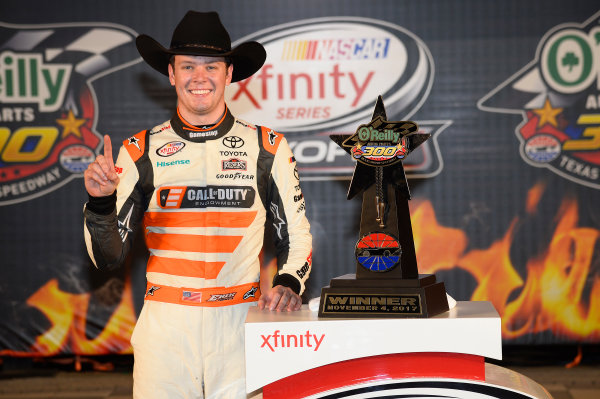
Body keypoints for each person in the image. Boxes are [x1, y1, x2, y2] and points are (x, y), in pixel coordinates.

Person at [83, 11, 312, 399]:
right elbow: (107, 258)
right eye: (187, 66)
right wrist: (101, 201)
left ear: (229, 73)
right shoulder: (139, 151)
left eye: (211, 66)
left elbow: (296, 234)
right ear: (171, 74)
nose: (199, 77)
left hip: (242, 324)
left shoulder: (268, 147)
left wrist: (289, 281)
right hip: (166, 330)